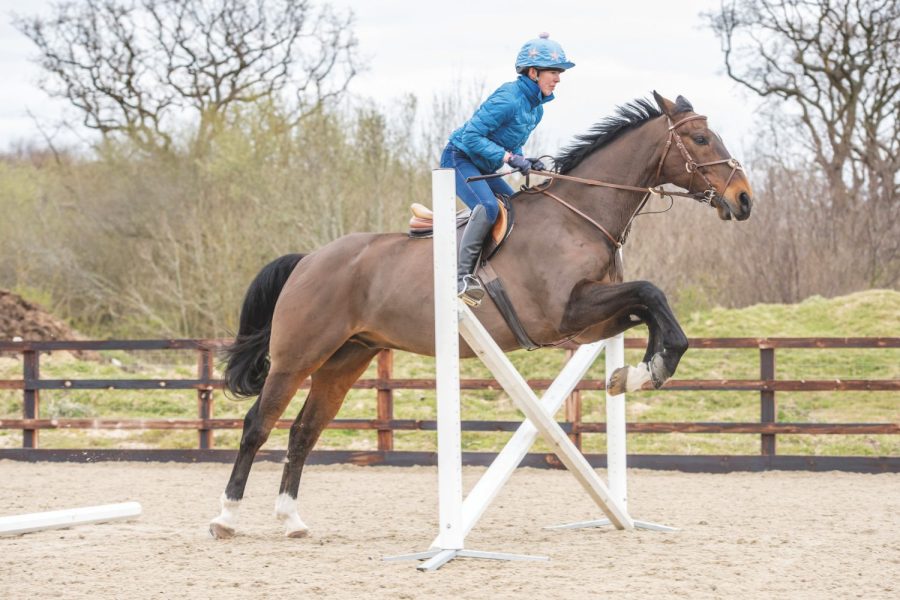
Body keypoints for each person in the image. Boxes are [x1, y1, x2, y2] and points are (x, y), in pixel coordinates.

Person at [440, 32, 574, 306]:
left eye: (559, 72)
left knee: (516, 208)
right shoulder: (509, 98)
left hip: (485, 166)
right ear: (534, 72)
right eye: (554, 72)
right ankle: (461, 278)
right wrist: (509, 159)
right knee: (489, 208)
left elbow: (511, 143)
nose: (558, 78)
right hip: (459, 159)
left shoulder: (536, 110)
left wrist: (526, 159)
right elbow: (470, 139)